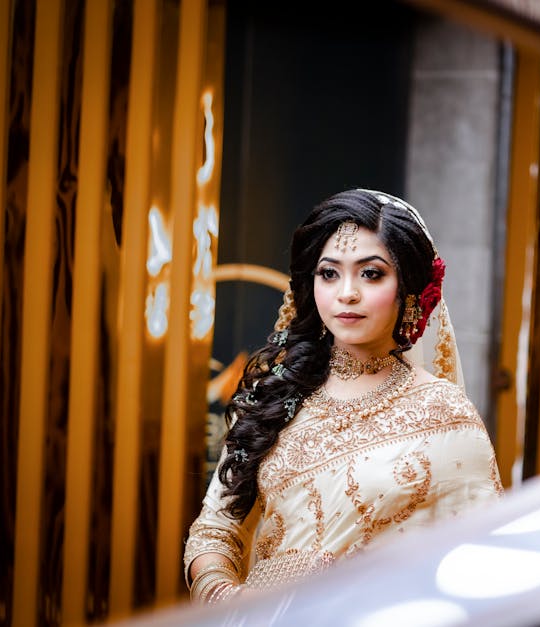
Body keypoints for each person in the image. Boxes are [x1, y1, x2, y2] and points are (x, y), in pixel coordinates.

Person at [183, 188, 504, 604]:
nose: (346, 292)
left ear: (408, 289)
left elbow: (475, 565)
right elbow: (214, 530)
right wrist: (229, 602)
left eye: (371, 274)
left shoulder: (444, 414)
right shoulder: (275, 394)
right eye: (329, 273)